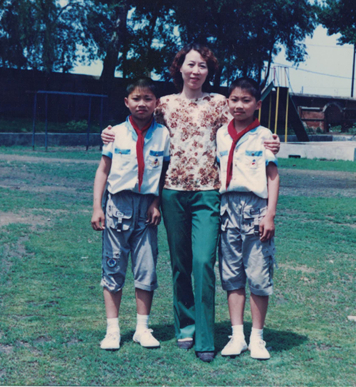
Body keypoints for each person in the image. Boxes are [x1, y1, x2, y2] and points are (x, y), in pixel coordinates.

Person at [102, 44, 280, 362]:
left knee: (202, 262)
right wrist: (109, 133)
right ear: (180, 68)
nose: (196, 71)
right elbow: (137, 119)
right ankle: (186, 327)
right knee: (181, 265)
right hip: (171, 193)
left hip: (209, 193)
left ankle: (206, 337)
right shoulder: (163, 105)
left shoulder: (221, 104)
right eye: (190, 65)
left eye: (202, 66)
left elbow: (247, 121)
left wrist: (274, 140)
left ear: (208, 72)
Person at [91, 78, 170, 351]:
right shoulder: (115, 134)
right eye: (136, 98)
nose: (142, 103)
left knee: (146, 268)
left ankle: (142, 328)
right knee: (113, 266)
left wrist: (156, 202)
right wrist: (97, 207)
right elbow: (103, 170)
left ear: (156, 103)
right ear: (127, 102)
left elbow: (163, 174)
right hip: (118, 206)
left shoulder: (163, 135)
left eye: (148, 98)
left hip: (146, 208)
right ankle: (112, 330)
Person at [216, 78, 279, 360]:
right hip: (227, 207)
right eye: (234, 100)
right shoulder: (220, 134)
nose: (239, 105)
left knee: (258, 273)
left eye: (246, 100)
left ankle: (257, 337)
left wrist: (270, 214)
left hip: (256, 208)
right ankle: (237, 335)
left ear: (258, 105)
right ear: (227, 102)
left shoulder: (265, 135)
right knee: (232, 274)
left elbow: (273, 176)